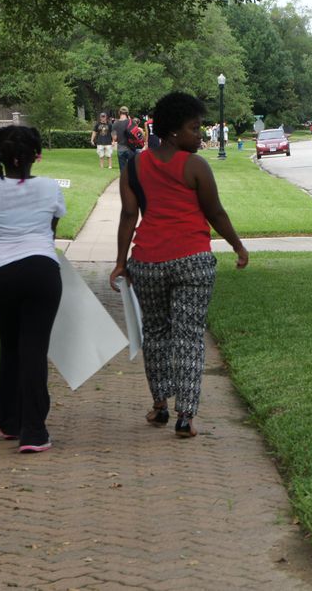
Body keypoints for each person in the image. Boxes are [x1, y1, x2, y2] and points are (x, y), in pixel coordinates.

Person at [110, 92, 249, 439]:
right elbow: (215, 212)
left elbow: (129, 215)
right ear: (173, 131)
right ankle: (185, 416)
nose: (199, 135)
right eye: (194, 128)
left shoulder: (134, 167)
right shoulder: (195, 166)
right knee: (189, 337)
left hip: (148, 261)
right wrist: (237, 245)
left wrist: (120, 263)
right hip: (192, 261)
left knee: (155, 334)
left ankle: (159, 405)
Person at [0, 126, 66, 454]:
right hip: (42, 270)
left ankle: (9, 420)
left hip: (1, 274)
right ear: (35, 155)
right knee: (34, 350)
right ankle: (34, 431)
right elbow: (50, 232)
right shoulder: (51, 188)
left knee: (10, 347)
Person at [112, 106, 136, 171]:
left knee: (123, 169)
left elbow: (115, 138)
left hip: (120, 148)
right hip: (131, 148)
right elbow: (136, 134)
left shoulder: (115, 124)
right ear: (127, 113)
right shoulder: (131, 122)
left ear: (119, 113)